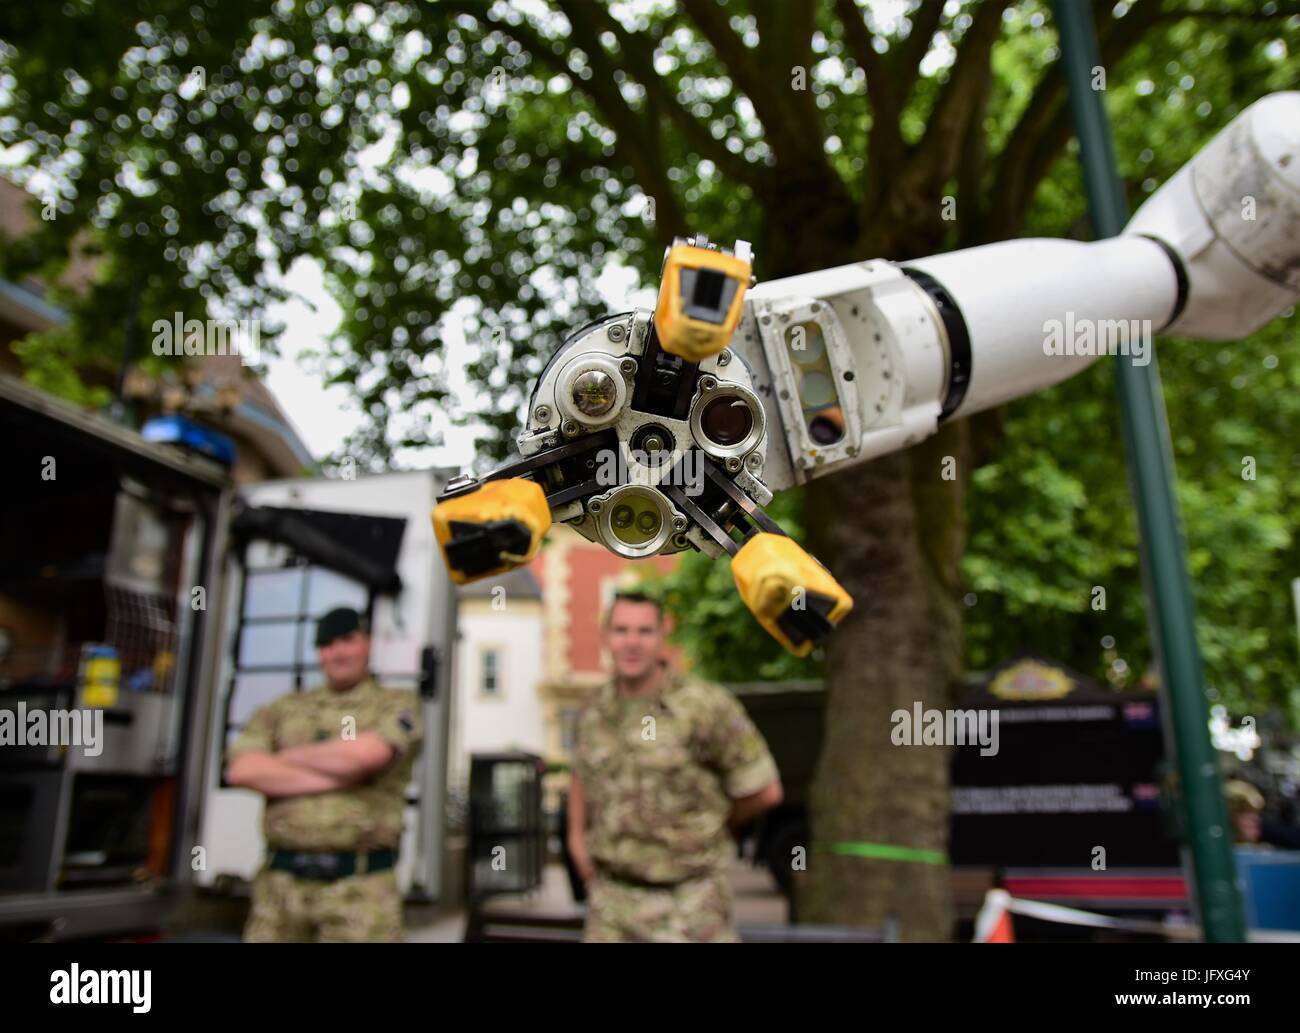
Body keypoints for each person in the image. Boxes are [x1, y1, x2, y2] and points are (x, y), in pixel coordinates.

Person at [567, 590, 783, 942]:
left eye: (644, 631)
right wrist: (577, 839)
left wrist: (716, 824)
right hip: (612, 903)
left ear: (663, 634)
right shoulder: (593, 709)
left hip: (690, 903)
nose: (632, 643)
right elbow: (581, 773)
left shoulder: (704, 706)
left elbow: (764, 790)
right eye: (621, 631)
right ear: (606, 636)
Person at [226, 606, 424, 942]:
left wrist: (284, 758)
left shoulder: (396, 703)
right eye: (328, 644)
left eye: (347, 640)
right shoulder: (284, 708)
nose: (338, 651)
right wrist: (342, 773)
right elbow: (243, 769)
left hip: (359, 893)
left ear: (367, 643)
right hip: (279, 892)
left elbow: (367, 755)